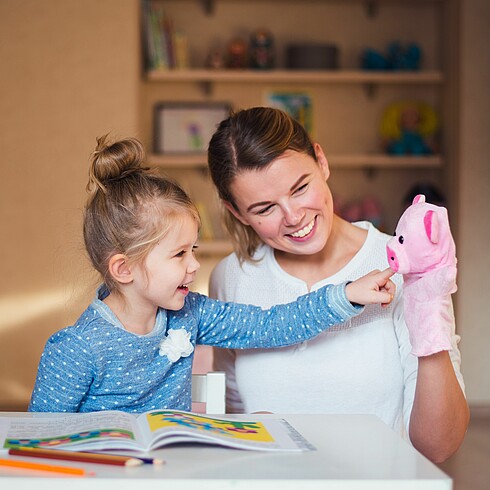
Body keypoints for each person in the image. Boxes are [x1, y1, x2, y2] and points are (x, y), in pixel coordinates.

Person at [28, 135, 395, 415]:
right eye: (178, 254)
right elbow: (39, 446)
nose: (193, 266)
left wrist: (345, 295)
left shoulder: (191, 314)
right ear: (123, 269)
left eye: (194, 251)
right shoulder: (75, 350)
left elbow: (271, 325)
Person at [207, 107, 469, 463]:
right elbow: (232, 413)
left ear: (321, 161)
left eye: (300, 188)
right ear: (237, 213)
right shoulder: (231, 278)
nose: (293, 216)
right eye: (265, 208)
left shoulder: (402, 264)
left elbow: (438, 446)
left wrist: (427, 301)